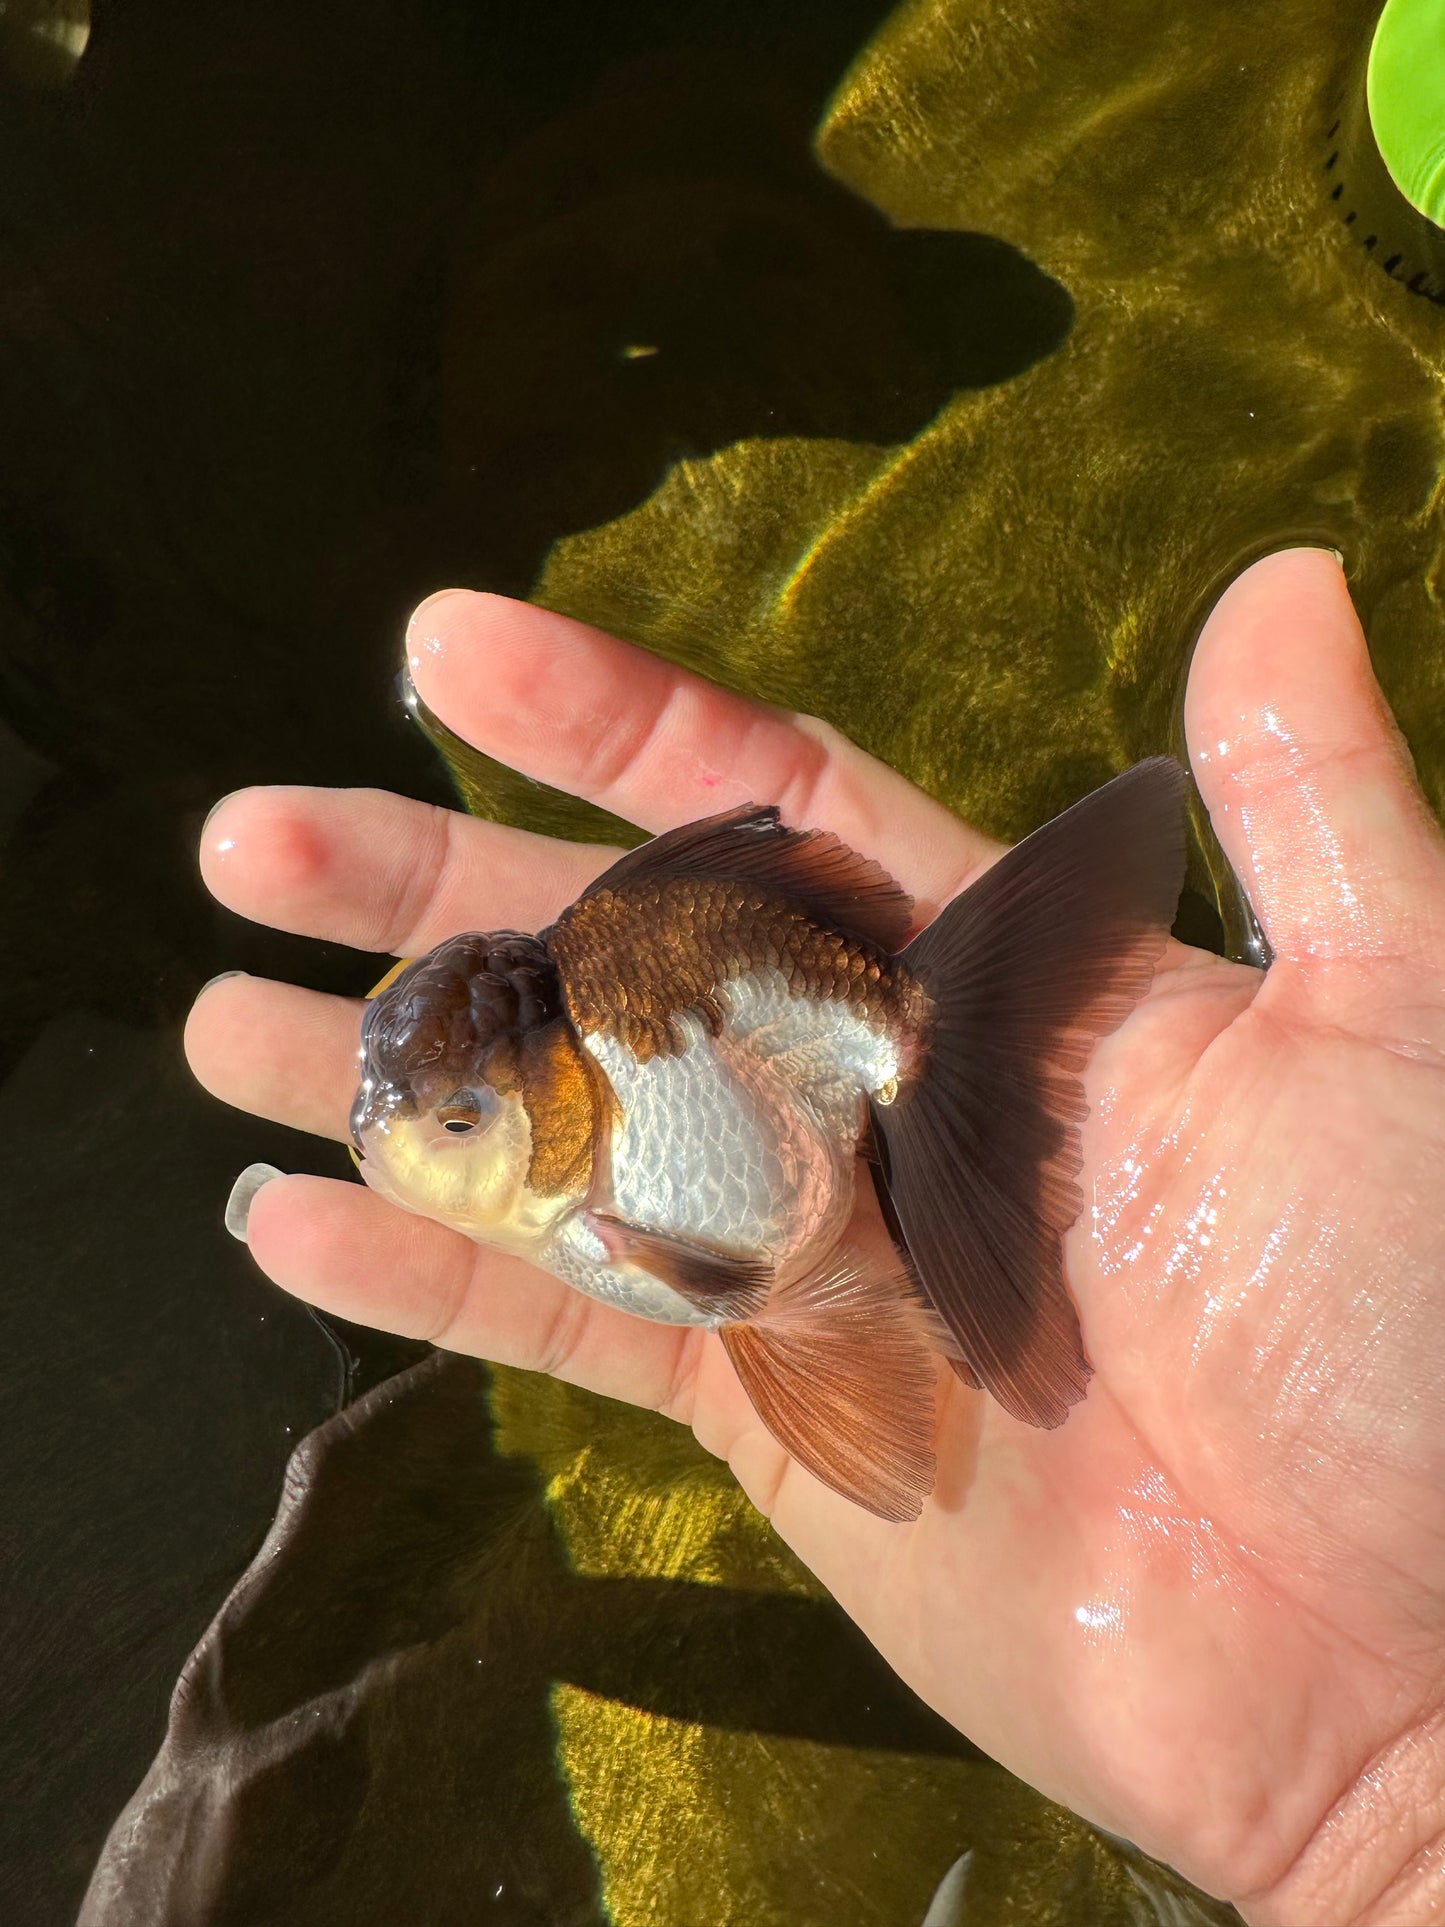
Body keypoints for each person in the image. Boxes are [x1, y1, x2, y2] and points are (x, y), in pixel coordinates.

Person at [186, 547, 1445, 1926]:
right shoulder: (596, 1144)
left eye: (457, 1124)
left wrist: (1394, 1827)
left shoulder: (633, 1162)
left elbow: (730, 1277)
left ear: (539, 1101)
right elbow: (743, 1286)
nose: (407, 1157)